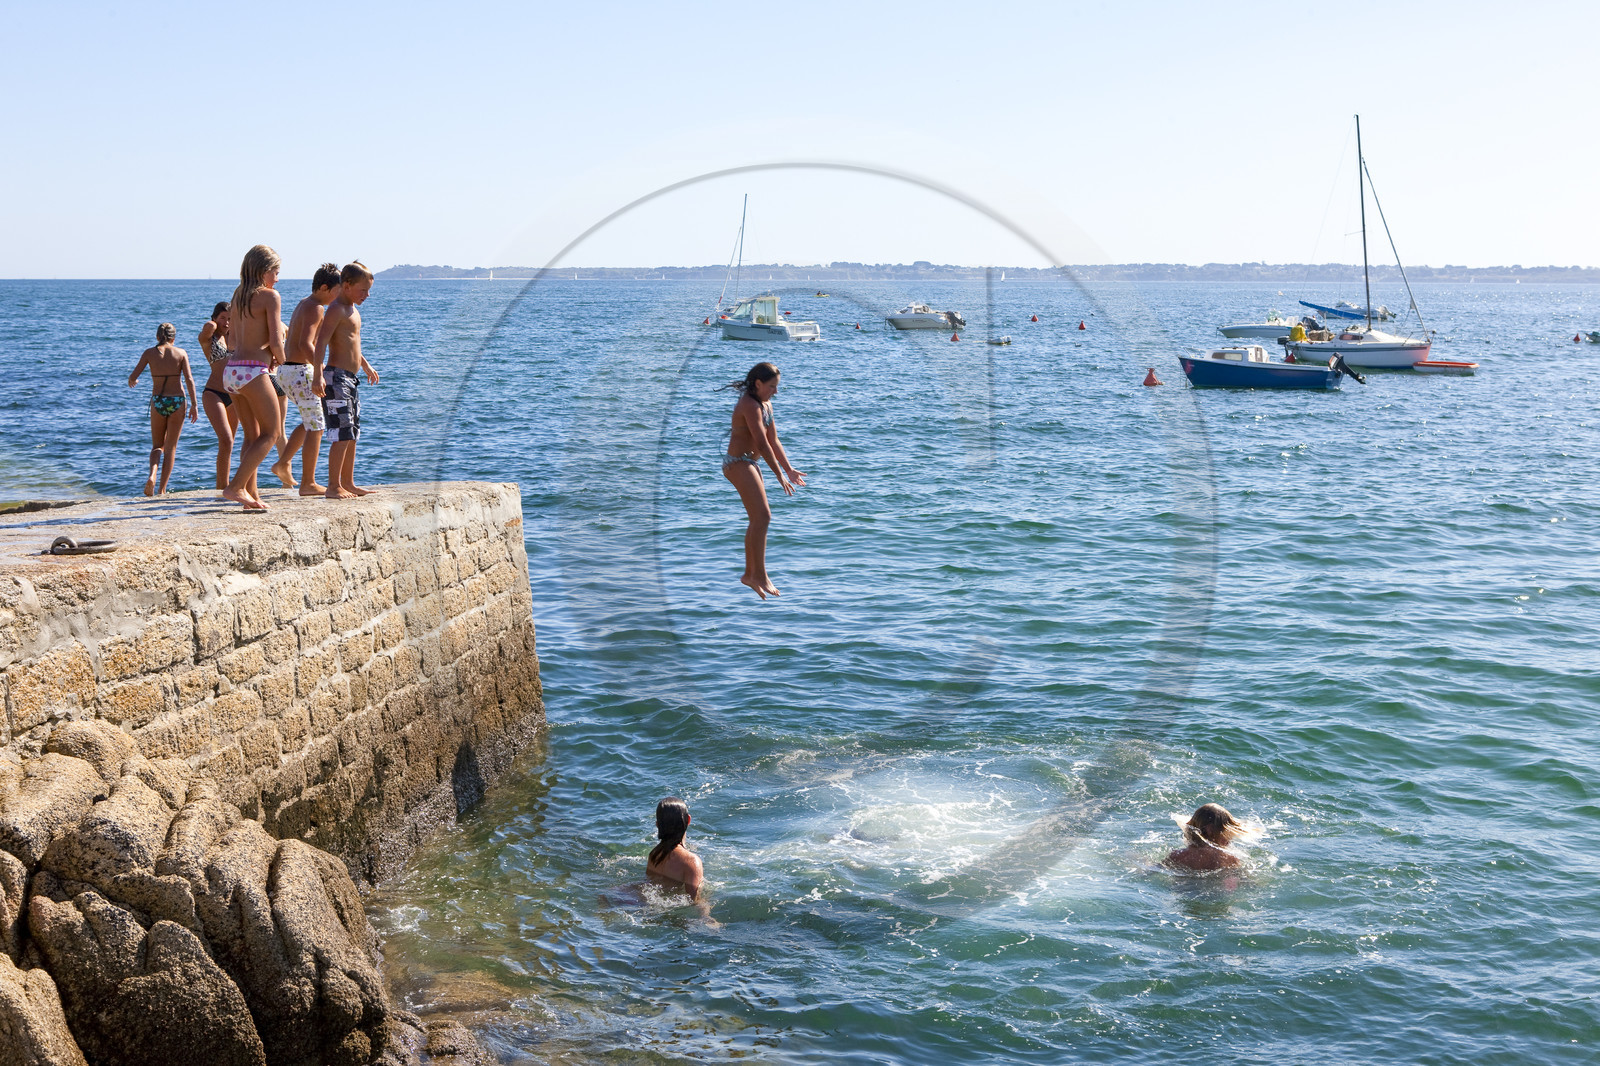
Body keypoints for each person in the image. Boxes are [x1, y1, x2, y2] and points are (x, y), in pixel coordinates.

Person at [720, 362, 805, 599]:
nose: (775, 392)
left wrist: (788, 469)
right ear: (757, 384)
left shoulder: (765, 404)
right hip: (737, 463)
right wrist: (778, 475)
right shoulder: (749, 405)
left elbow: (773, 440)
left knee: (760, 518)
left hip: (750, 463)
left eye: (777, 387)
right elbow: (761, 443)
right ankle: (757, 575)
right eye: (771, 387)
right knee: (762, 517)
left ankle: (753, 574)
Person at [221, 244, 287, 510]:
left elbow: (233, 341)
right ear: (264, 270)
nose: (278, 278)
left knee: (252, 436)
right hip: (252, 372)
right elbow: (275, 339)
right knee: (272, 432)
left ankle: (251, 496)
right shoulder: (270, 296)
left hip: (231, 371)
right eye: (276, 271)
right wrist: (283, 360)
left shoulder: (237, 296)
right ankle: (235, 486)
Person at [314, 261, 379, 499]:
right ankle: (333, 486)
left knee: (352, 432)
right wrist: (318, 375)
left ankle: (348, 482)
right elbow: (321, 342)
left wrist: (366, 365)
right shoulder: (336, 309)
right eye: (363, 290)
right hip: (336, 378)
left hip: (351, 378)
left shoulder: (353, 310)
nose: (367, 295)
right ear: (347, 285)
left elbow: (352, 343)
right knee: (341, 432)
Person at [281, 264, 340, 494]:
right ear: (325, 288)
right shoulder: (316, 307)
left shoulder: (304, 303)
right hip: (299, 371)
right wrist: (319, 371)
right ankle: (308, 483)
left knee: (309, 421)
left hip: (288, 370)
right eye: (336, 291)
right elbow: (305, 343)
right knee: (316, 425)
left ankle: (283, 463)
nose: (338, 297)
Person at [127, 323, 198, 495]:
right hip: (177, 401)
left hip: (158, 401)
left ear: (157, 336)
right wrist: (195, 404)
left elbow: (133, 377)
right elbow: (189, 379)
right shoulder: (181, 353)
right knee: (171, 447)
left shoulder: (149, 353)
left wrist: (134, 381)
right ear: (174, 338)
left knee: (157, 446)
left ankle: (152, 474)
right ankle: (162, 489)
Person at [646, 797, 715, 925]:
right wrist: (708, 918)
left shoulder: (654, 854)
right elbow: (694, 901)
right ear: (688, 820)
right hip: (677, 917)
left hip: (653, 911)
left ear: (657, 825)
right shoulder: (691, 861)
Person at [198, 301, 241, 490]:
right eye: (223, 317)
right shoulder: (209, 338)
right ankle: (223, 486)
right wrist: (216, 323)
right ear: (215, 318)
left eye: (230, 319)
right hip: (213, 393)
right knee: (226, 439)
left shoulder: (235, 337)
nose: (227, 322)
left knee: (229, 444)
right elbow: (206, 329)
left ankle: (224, 486)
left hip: (235, 396)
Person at [1165, 802, 1248, 871]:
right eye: (1227, 832)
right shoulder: (1229, 860)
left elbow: (1156, 868)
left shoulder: (1178, 856)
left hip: (1182, 889)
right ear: (1210, 830)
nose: (1230, 838)